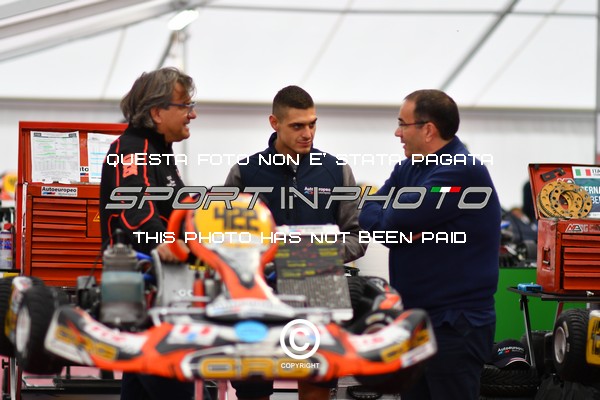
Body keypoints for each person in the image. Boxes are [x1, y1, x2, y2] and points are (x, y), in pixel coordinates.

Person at [224, 85, 366, 400]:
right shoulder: (245, 173)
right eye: (298, 126)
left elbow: (357, 236)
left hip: (320, 295)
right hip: (257, 296)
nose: (307, 134)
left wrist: (316, 253)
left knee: (316, 385)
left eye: (312, 124)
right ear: (274, 123)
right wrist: (267, 257)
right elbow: (227, 240)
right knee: (252, 389)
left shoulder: (336, 171)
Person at [359, 89, 500, 400]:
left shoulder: (461, 169)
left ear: (428, 129)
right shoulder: (408, 168)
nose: (397, 133)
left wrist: (396, 224)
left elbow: (395, 221)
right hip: (415, 319)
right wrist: (397, 226)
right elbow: (368, 210)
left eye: (402, 124)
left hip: (455, 324)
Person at [100, 67, 210, 400]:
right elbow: (134, 208)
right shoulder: (131, 149)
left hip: (163, 292)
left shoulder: (159, 150)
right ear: (157, 112)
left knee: (140, 389)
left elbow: (182, 211)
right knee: (178, 389)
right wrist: (163, 242)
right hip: (146, 291)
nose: (192, 114)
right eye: (185, 106)